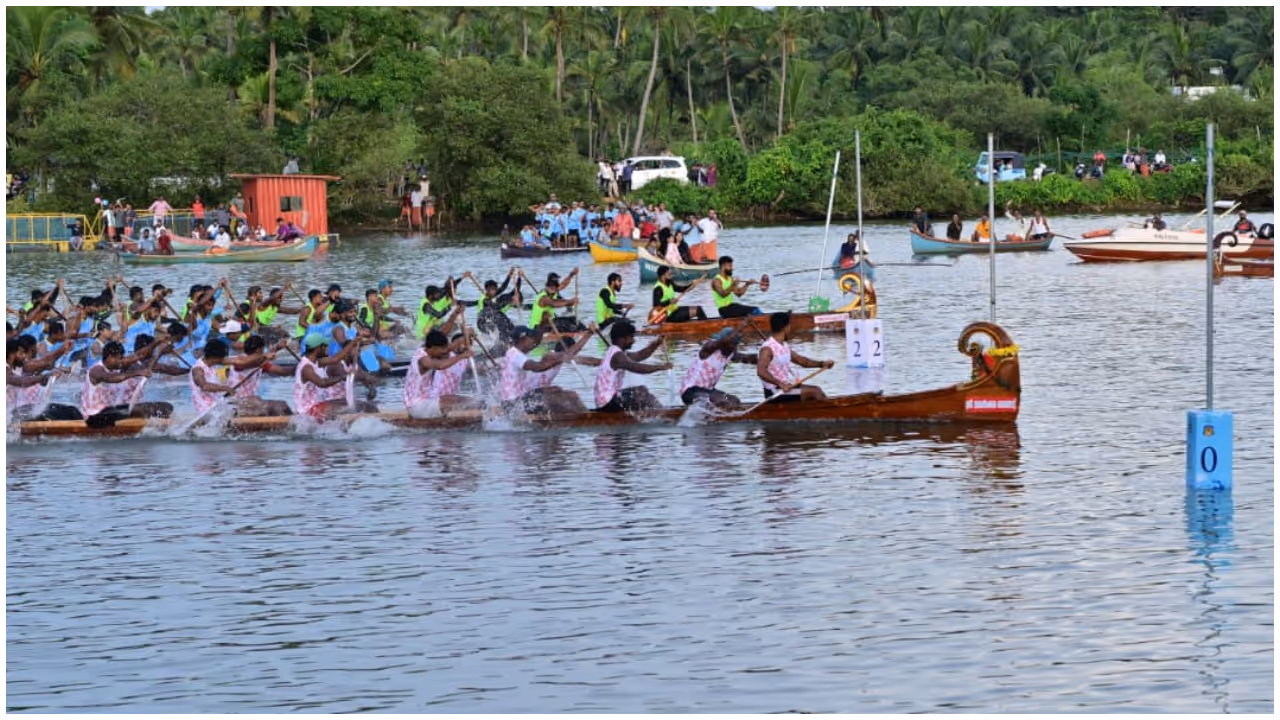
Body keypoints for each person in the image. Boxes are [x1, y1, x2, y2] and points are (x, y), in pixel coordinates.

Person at [500, 326, 593, 416]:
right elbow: (537, 367)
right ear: (522, 339)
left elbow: (537, 341)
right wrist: (589, 333)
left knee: (565, 393)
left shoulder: (518, 352)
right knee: (561, 395)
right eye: (530, 338)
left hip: (521, 399)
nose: (533, 341)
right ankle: (585, 417)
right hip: (514, 404)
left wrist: (543, 325)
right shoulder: (515, 355)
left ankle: (583, 414)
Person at [80, 340, 174, 422]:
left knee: (165, 407)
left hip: (111, 412)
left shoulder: (116, 365)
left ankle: (160, 425)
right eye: (119, 358)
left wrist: (158, 342)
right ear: (110, 357)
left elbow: (139, 355)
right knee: (141, 409)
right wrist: (138, 372)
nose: (122, 361)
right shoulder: (96, 370)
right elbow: (112, 378)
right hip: (94, 416)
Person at [593, 320, 670, 412]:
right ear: (622, 339)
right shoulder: (617, 356)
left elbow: (640, 355)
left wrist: (656, 343)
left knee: (641, 390)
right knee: (641, 392)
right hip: (606, 403)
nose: (633, 340)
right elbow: (637, 368)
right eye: (631, 337)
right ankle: (664, 414)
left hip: (608, 399)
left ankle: (660, 412)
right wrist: (660, 367)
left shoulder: (617, 352)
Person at [756, 311, 834, 402]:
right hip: (775, 392)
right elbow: (761, 371)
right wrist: (780, 384)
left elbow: (802, 361)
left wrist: (822, 364)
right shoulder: (767, 348)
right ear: (785, 328)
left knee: (812, 393)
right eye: (789, 326)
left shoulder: (784, 345)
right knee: (816, 391)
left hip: (786, 388)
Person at [404, 328, 480, 418]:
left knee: (468, 401)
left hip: (427, 401)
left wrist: (466, 335)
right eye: (442, 349)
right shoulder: (423, 359)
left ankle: (481, 408)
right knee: (454, 402)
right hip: (416, 406)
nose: (445, 351)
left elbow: (450, 347)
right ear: (433, 347)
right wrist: (462, 356)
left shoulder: (429, 351)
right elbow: (440, 366)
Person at [293, 333, 370, 421]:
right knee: (351, 405)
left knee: (350, 403)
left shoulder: (316, 361)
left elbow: (337, 358)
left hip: (315, 406)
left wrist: (353, 342)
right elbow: (322, 383)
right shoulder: (307, 367)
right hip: (306, 412)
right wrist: (343, 377)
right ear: (318, 348)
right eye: (325, 346)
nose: (327, 349)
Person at [679, 326, 758, 409]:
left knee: (735, 400)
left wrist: (768, 354)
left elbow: (750, 358)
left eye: (735, 345)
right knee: (721, 400)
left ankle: (718, 418)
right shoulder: (708, 349)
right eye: (731, 344)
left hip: (708, 391)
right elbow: (723, 341)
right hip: (690, 391)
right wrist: (743, 324)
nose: (734, 348)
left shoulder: (730, 354)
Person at [528, 269, 581, 333]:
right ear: (547, 286)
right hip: (536, 327)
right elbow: (554, 304)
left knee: (573, 320)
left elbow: (563, 284)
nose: (553, 289)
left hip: (549, 322)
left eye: (555, 287)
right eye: (551, 287)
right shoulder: (543, 297)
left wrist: (571, 274)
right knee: (564, 326)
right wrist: (570, 301)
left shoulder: (554, 291)